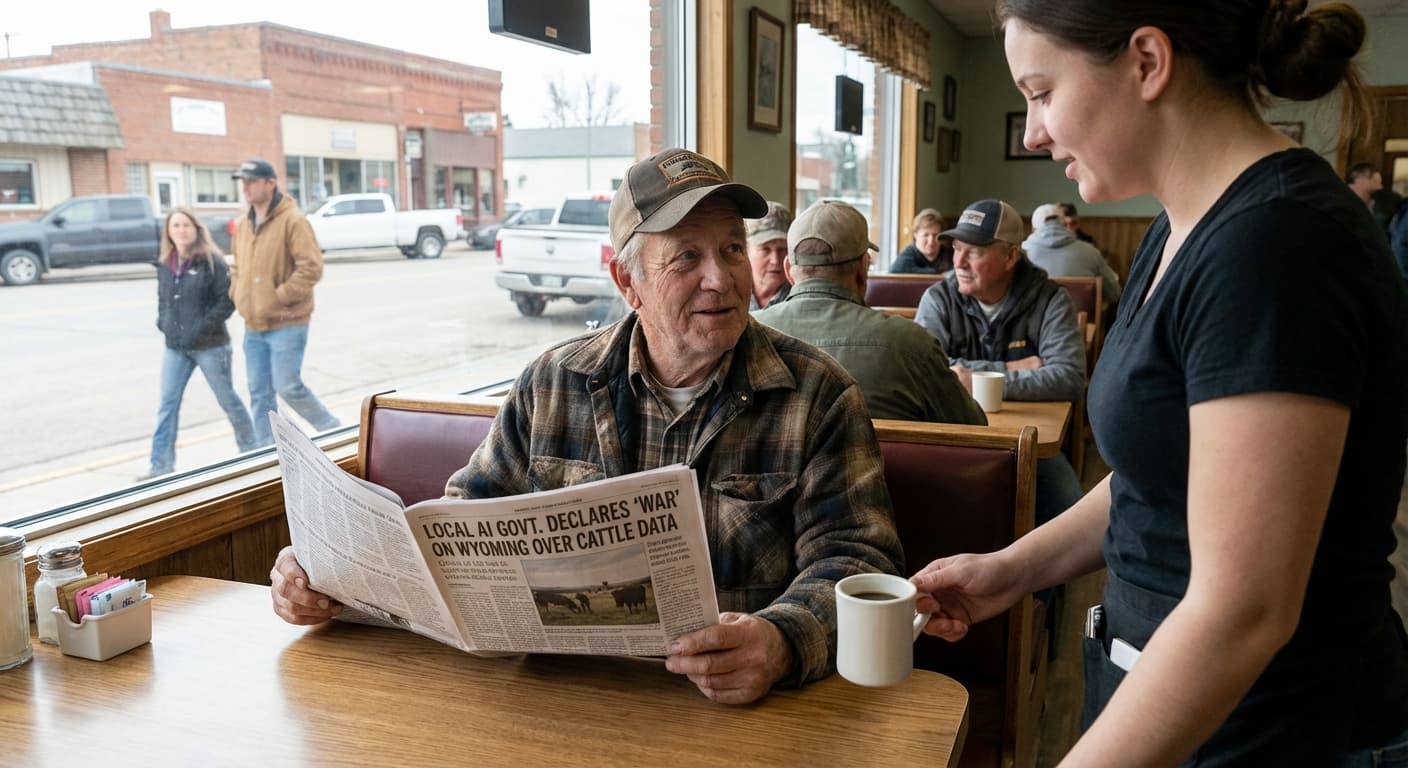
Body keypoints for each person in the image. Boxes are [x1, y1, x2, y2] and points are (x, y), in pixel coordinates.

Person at [914, 2, 1408, 765]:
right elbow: (1165, 472)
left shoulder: (1275, 245)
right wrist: (1012, 570)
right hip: (1168, 694)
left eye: (1041, 92)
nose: (1031, 133)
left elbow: (1243, 611)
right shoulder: (1179, 228)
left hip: (1268, 728)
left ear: (1148, 61)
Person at [269, 148, 906, 705]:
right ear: (626, 281)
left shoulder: (817, 394)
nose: (722, 277)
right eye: (687, 256)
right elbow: (461, 526)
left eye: (732, 249)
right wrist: (333, 578)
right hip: (561, 699)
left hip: (737, 714)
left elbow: (857, 560)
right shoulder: (551, 383)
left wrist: (781, 641)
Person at [914, 198, 1086, 526]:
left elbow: (1069, 376)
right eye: (956, 248)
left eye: (974, 251)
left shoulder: (1051, 300)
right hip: (955, 436)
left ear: (1010, 256)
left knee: (1068, 511)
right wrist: (1017, 368)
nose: (958, 261)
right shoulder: (939, 297)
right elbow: (928, 371)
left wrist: (972, 376)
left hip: (1030, 443)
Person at [752, 200, 985, 425]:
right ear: (863, 269)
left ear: (789, 272)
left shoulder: (748, 335)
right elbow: (971, 429)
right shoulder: (912, 343)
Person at [228, 158, 341, 447]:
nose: (246, 187)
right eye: (243, 182)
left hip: (287, 323)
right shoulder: (242, 225)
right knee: (259, 392)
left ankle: (334, 430)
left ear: (270, 183)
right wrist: (238, 293)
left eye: (252, 181)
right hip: (253, 325)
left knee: (288, 386)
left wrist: (280, 296)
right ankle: (266, 454)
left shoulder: (293, 220)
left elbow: (311, 267)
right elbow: (238, 267)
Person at [141, 208, 257, 480]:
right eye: (175, 225)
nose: (181, 230)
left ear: (196, 229)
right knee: (167, 404)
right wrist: (164, 323)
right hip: (175, 347)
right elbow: (163, 300)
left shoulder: (211, 261)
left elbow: (226, 302)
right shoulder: (165, 264)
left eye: (185, 225)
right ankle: (160, 466)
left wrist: (201, 329)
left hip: (211, 346)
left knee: (227, 399)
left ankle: (252, 450)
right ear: (168, 232)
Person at [1023, 202, 1122, 303]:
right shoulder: (1091, 251)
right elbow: (1115, 294)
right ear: (1065, 224)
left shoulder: (1022, 253)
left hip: (1034, 318)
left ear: (1033, 229)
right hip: (1081, 318)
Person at [744, 201, 793, 309]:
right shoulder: (733, 293)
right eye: (765, 249)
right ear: (746, 250)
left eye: (782, 249)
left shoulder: (798, 299)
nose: (775, 260)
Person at [891, 208, 952, 273]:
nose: (931, 241)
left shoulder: (950, 255)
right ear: (915, 234)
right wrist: (938, 273)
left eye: (935, 235)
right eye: (926, 235)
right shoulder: (905, 257)